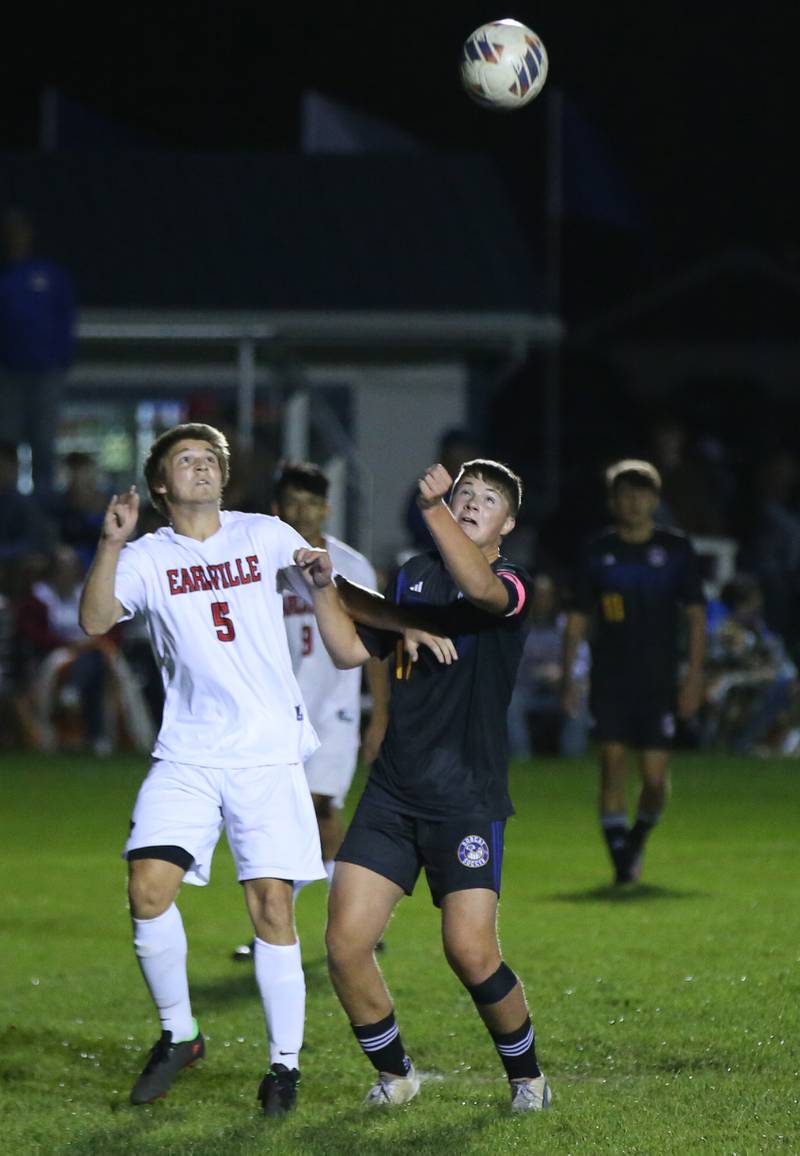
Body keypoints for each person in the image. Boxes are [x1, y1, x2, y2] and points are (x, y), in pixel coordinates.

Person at [78, 422, 330, 1119]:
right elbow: (97, 618)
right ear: (160, 484)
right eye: (185, 460)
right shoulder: (147, 555)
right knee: (146, 888)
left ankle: (284, 1068)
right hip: (188, 752)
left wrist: (349, 593)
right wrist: (110, 542)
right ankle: (181, 1034)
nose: (201, 468)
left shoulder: (264, 533)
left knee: (272, 907)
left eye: (210, 460)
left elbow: (319, 572)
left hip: (268, 752)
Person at [295, 458, 551, 1114]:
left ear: (507, 524)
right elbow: (353, 651)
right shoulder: (413, 574)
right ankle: (397, 1073)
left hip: (465, 798)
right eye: (464, 491)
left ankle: (527, 1078)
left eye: (486, 499)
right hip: (393, 794)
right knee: (345, 944)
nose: (470, 502)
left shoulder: (510, 583)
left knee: (469, 952)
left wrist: (435, 510)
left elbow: (482, 592)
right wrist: (326, 589)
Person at [232, 461, 389, 960]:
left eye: (311, 503)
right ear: (278, 509)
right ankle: (278, 929)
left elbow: (377, 642)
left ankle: (353, 924)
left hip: (333, 711)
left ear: (326, 507)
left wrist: (380, 716)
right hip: (273, 712)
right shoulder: (258, 563)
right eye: (292, 503)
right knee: (278, 821)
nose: (302, 512)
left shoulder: (352, 566)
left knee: (322, 811)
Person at [562, 459, 706, 886]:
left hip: (660, 678)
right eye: (625, 493)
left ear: (655, 500)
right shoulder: (596, 551)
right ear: (613, 501)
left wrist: (694, 676)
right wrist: (571, 676)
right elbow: (577, 618)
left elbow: (696, 617)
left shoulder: (677, 550)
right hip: (611, 676)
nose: (634, 501)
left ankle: (636, 838)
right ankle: (622, 864)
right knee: (612, 764)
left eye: (642, 493)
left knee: (656, 779)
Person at [0, 208, 77, 495]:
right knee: (6, 441)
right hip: (8, 373)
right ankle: (6, 503)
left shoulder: (50, 274)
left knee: (43, 441)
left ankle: (44, 504)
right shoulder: (4, 276)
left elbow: (66, 317)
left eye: (20, 231)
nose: (15, 237)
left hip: (46, 372)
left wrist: (61, 361)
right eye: (10, 232)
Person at [507, 572, 590, 759]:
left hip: (559, 693)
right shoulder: (517, 628)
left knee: (580, 696)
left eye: (547, 596)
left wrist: (565, 677)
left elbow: (583, 664)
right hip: (527, 692)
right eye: (539, 596)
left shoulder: (566, 627)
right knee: (511, 701)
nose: (543, 601)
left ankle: (573, 758)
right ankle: (521, 757)